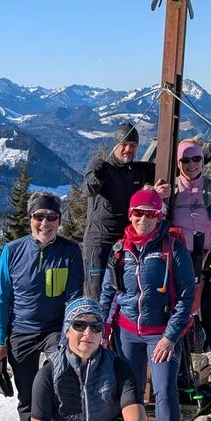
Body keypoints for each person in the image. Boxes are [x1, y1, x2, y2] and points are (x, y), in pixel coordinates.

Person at [99, 188, 195, 421]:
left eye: (150, 213)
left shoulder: (172, 248)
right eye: (138, 213)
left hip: (161, 334)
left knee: (165, 391)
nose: (144, 219)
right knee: (131, 393)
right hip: (127, 332)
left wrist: (170, 336)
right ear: (130, 215)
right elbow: (108, 292)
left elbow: (187, 295)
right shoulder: (119, 250)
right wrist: (102, 329)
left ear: (159, 216)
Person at [0, 192, 85, 421]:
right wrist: (0, 340)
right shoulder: (12, 251)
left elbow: (74, 297)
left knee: (63, 380)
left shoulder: (70, 251)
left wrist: (72, 333)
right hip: (20, 331)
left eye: (52, 217)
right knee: (27, 392)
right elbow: (2, 298)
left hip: (55, 330)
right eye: (39, 217)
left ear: (59, 220)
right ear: (29, 219)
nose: (45, 223)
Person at [169, 137, 211, 388]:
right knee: (179, 316)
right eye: (185, 159)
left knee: (210, 316)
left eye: (196, 158)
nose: (192, 164)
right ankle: (181, 371)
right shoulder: (170, 190)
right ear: (178, 162)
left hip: (206, 262)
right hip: (178, 263)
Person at [82, 122, 164, 301]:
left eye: (133, 145)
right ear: (115, 145)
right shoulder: (101, 165)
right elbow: (88, 189)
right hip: (99, 243)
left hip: (126, 242)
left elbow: (175, 169)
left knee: (122, 294)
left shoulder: (138, 171)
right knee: (96, 296)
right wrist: (98, 176)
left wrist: (208, 152)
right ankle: (94, 328)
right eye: (124, 145)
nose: (128, 149)